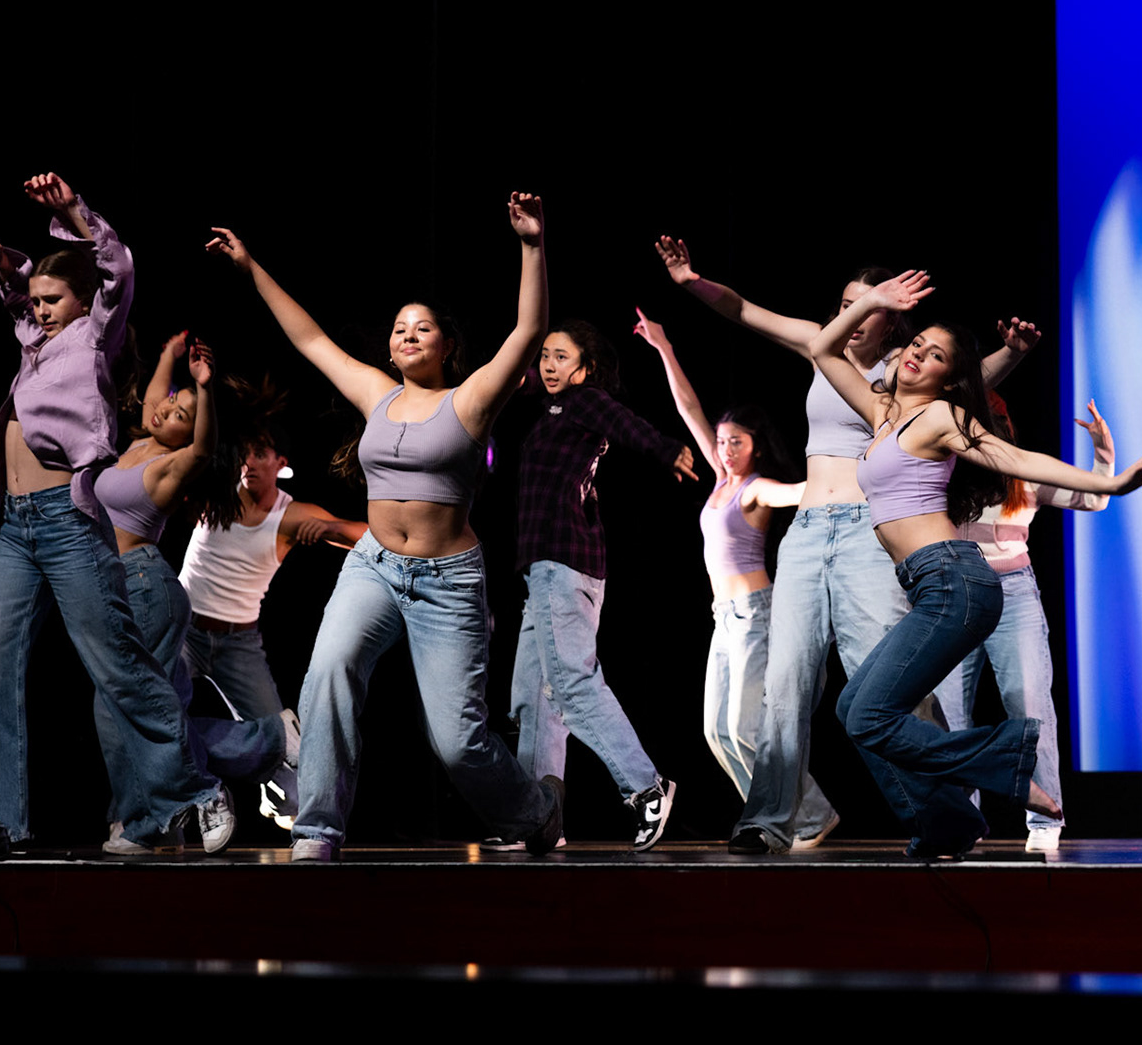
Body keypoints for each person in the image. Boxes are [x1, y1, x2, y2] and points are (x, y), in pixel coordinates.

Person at [206, 193, 562, 862]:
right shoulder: (378, 393)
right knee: (328, 675)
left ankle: (535, 809)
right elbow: (310, 339)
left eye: (423, 328)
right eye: (400, 328)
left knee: (456, 741)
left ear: (447, 345)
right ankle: (317, 829)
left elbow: (528, 331)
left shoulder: (471, 400)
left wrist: (531, 244)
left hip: (447, 581)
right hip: (373, 566)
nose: (408, 335)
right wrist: (251, 267)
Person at [655, 235, 1037, 853]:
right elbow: (742, 310)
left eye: (870, 304)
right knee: (785, 680)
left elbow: (967, 383)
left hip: (866, 534)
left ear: (892, 318)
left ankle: (943, 811)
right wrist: (689, 280)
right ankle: (768, 820)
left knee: (887, 686)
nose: (854, 313)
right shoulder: (821, 346)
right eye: (847, 303)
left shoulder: (901, 370)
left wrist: (1012, 354)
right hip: (806, 535)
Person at [811, 271, 1142, 857]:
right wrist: (872, 300)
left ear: (951, 379)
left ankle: (1000, 764)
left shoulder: (940, 419)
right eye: (917, 344)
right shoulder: (881, 412)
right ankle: (950, 820)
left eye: (935, 356)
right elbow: (823, 348)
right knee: (856, 710)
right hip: (929, 585)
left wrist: (1107, 481)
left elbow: (1016, 458)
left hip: (955, 580)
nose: (917, 355)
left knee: (870, 712)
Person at [0, 174, 229, 859]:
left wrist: (72, 211)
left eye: (53, 301)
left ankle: (193, 791)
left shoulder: (95, 336)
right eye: (37, 301)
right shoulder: (34, 341)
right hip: (15, 529)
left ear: (82, 303)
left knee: (118, 666)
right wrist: (2, 261)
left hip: (67, 522)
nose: (40, 311)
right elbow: (17, 294)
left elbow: (118, 267)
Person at [511, 318, 699, 851]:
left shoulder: (583, 401)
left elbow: (623, 421)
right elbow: (517, 379)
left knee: (572, 685)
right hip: (543, 570)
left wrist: (665, 448)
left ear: (585, 369)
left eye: (562, 357)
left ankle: (646, 787)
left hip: (562, 563)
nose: (550, 365)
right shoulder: (550, 410)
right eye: (545, 355)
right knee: (532, 697)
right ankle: (538, 818)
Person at [91, 332, 264, 852]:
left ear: (189, 431)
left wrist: (203, 389)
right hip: (113, 589)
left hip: (146, 588)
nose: (166, 411)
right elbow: (154, 400)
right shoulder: (140, 443)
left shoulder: (172, 463)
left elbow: (206, 445)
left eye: (181, 414)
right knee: (129, 709)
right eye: (170, 403)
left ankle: (185, 801)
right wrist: (169, 355)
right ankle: (147, 818)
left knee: (128, 708)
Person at [177, 379, 366, 833]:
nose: (248, 462)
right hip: (184, 631)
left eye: (261, 454)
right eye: (245, 453)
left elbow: (369, 535)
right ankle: (148, 815)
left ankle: (277, 776)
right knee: (155, 718)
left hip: (239, 643)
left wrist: (329, 529)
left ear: (282, 464)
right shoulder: (217, 491)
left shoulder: (290, 515)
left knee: (292, 778)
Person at [633, 308, 805, 799]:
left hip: (754, 614)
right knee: (717, 732)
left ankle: (796, 814)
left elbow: (797, 492)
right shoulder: (721, 480)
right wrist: (664, 348)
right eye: (723, 441)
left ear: (756, 447)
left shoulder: (755, 488)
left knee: (743, 728)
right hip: (723, 616)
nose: (726, 450)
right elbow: (689, 408)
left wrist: (848, 478)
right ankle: (784, 813)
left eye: (737, 443)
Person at [937, 392, 1115, 854]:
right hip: (954, 591)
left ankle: (1045, 816)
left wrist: (1102, 453)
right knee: (947, 713)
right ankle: (960, 819)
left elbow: (1093, 499)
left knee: (1029, 703)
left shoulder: (1023, 473)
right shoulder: (944, 469)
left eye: (993, 421)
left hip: (1011, 592)